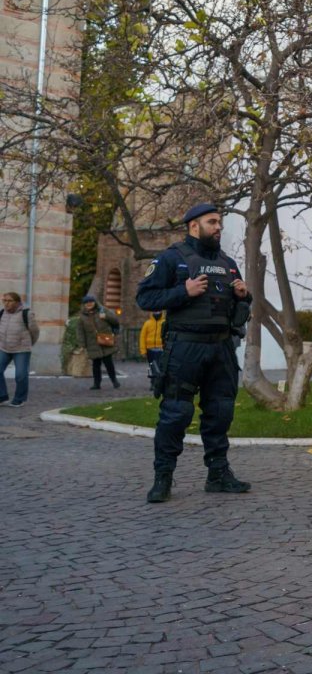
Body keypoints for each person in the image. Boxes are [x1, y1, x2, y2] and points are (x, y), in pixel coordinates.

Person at [136, 203, 253, 504]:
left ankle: (218, 474)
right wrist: (182, 293)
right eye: (212, 222)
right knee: (176, 413)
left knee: (220, 412)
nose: (218, 228)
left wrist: (243, 296)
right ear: (193, 226)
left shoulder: (227, 263)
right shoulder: (171, 258)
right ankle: (163, 477)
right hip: (185, 347)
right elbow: (145, 297)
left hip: (222, 348)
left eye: (219, 223)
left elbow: (239, 311)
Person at [0, 292, 38, 407]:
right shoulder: (2, 313)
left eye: (9, 301)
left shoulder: (26, 314)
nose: (6, 303)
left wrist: (28, 344)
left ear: (17, 302)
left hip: (21, 349)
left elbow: (35, 332)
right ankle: (2, 396)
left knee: (20, 375)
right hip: (4, 348)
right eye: (4, 300)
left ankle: (19, 399)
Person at [77, 295, 121, 390]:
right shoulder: (82, 317)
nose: (89, 304)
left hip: (105, 341)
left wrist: (106, 317)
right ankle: (97, 384)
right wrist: (82, 345)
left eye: (91, 302)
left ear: (94, 302)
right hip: (92, 343)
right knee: (96, 365)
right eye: (86, 303)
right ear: (84, 305)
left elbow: (116, 321)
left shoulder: (103, 310)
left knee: (109, 363)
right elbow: (80, 332)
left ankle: (114, 381)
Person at [139, 311, 166, 387]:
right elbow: (142, 337)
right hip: (150, 350)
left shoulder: (164, 322)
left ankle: (158, 383)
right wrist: (143, 350)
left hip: (161, 349)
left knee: (160, 366)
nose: (157, 312)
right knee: (152, 366)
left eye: (158, 311)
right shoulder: (147, 323)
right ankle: (153, 382)